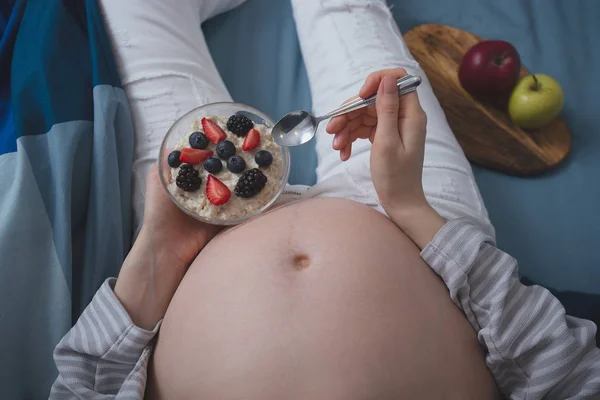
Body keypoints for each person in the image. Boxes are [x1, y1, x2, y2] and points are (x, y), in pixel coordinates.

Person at [50, 0, 600, 398]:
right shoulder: (414, 211)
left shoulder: (169, 245)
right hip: (417, 223)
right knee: (348, 10)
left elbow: (82, 383)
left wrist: (157, 252)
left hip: (189, 237)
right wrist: (415, 211)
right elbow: (564, 366)